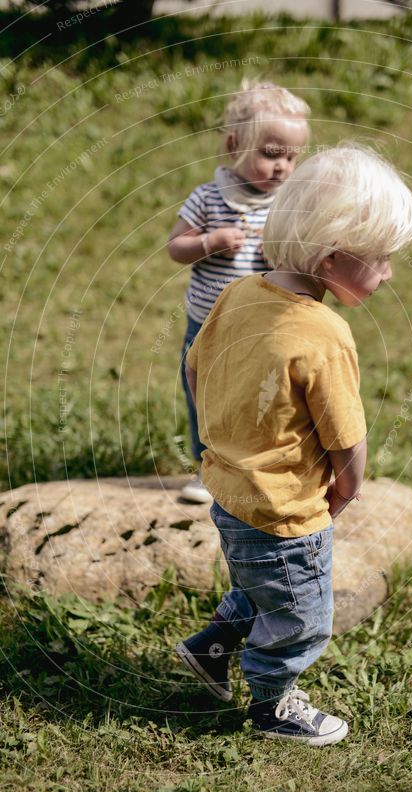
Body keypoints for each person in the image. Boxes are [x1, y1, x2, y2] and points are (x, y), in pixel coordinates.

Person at [175, 144, 412, 745]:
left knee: (260, 582)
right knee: (301, 612)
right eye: (382, 259)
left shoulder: (239, 295)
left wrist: (224, 433)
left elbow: (192, 366)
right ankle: (272, 706)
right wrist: (347, 489)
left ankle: (210, 648)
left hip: (231, 492)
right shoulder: (325, 333)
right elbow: (347, 437)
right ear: (333, 256)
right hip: (287, 509)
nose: (388, 272)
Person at [168, 79, 310, 503]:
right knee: (205, 396)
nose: (283, 166)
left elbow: (301, 259)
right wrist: (208, 242)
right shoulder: (209, 198)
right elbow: (176, 246)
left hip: (263, 324)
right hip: (208, 324)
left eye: (291, 157)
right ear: (234, 146)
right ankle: (208, 468)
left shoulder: (287, 203)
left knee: (263, 397)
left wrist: (281, 254)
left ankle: (259, 467)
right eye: (271, 154)